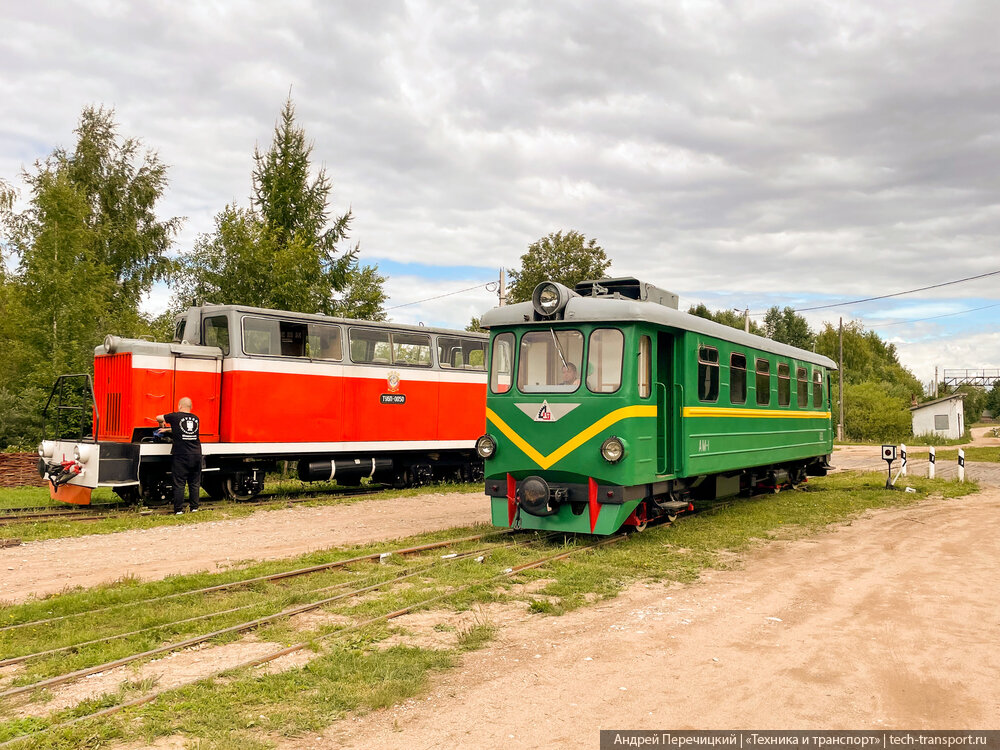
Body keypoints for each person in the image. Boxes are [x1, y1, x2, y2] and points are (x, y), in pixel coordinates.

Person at [156, 397, 202, 514]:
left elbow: (158, 417)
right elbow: (184, 429)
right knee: (194, 483)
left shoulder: (175, 416)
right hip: (196, 453)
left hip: (181, 455)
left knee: (179, 483)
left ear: (179, 406)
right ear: (190, 407)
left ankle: (178, 510)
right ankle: (194, 508)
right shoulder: (196, 419)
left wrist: (162, 424)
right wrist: (168, 431)